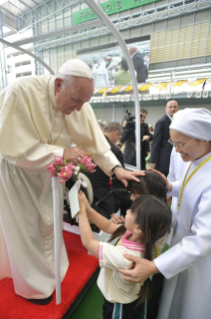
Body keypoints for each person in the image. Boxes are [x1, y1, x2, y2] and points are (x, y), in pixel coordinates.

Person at [0, 58, 144, 304]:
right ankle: (34, 286)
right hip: (19, 174)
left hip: (50, 174)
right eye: (75, 101)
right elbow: (9, 145)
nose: (79, 109)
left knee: (49, 223)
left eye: (84, 103)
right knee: (27, 228)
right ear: (58, 85)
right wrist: (59, 153)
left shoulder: (79, 99)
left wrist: (116, 168)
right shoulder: (20, 91)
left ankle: (51, 270)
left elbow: (94, 141)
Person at [117, 108, 211, 319]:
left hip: (201, 259)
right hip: (182, 248)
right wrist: (171, 186)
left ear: (204, 139)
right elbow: (193, 187)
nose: (176, 150)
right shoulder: (196, 158)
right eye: (173, 143)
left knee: (191, 305)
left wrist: (154, 266)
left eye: (181, 144)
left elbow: (203, 239)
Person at [78, 191, 172, 319]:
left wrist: (81, 212)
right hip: (129, 298)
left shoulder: (126, 257)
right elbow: (109, 226)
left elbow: (88, 242)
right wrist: (87, 209)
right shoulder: (139, 237)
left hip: (120, 306)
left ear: (138, 228)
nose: (127, 210)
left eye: (131, 210)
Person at [84, 122, 125, 219]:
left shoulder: (88, 145)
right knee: (128, 199)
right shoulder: (114, 151)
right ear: (115, 134)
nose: (117, 140)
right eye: (118, 138)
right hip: (101, 197)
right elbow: (121, 178)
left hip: (85, 192)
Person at [149, 100, 179, 176]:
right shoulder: (162, 122)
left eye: (175, 107)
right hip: (163, 161)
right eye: (170, 107)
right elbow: (156, 142)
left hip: (173, 159)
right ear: (166, 109)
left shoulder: (177, 121)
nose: (173, 109)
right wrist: (153, 160)